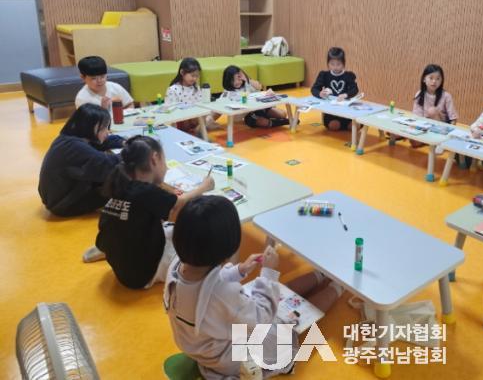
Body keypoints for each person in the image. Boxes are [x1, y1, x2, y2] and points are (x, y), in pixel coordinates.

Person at [165, 196, 344, 379]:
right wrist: (268, 273)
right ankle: (339, 286)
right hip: (230, 358)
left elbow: (208, 283)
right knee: (289, 321)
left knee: (278, 293)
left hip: (204, 346)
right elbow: (261, 318)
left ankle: (322, 275)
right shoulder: (222, 294)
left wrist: (239, 270)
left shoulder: (178, 266)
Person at [96, 136, 214, 289]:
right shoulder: (145, 191)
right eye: (164, 161)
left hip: (122, 266)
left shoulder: (121, 182)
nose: (166, 167)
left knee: (166, 226)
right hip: (143, 275)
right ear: (155, 159)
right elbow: (178, 205)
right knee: (197, 242)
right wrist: (204, 187)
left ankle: (111, 248)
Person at [38, 104, 120, 217]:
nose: (107, 132)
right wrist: (133, 151)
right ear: (88, 127)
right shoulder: (74, 147)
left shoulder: (69, 138)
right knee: (122, 180)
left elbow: (101, 142)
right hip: (65, 204)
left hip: (58, 197)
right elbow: (107, 164)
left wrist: (124, 142)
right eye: (103, 128)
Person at [310, 47, 359, 130]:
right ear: (328, 64)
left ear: (343, 64)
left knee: (355, 126)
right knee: (334, 125)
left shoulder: (348, 75)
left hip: (346, 110)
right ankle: (343, 126)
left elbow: (355, 89)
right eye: (332, 64)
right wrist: (320, 93)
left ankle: (346, 125)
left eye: (338, 64)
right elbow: (314, 89)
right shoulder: (324, 75)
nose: (335, 67)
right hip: (331, 112)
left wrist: (346, 95)